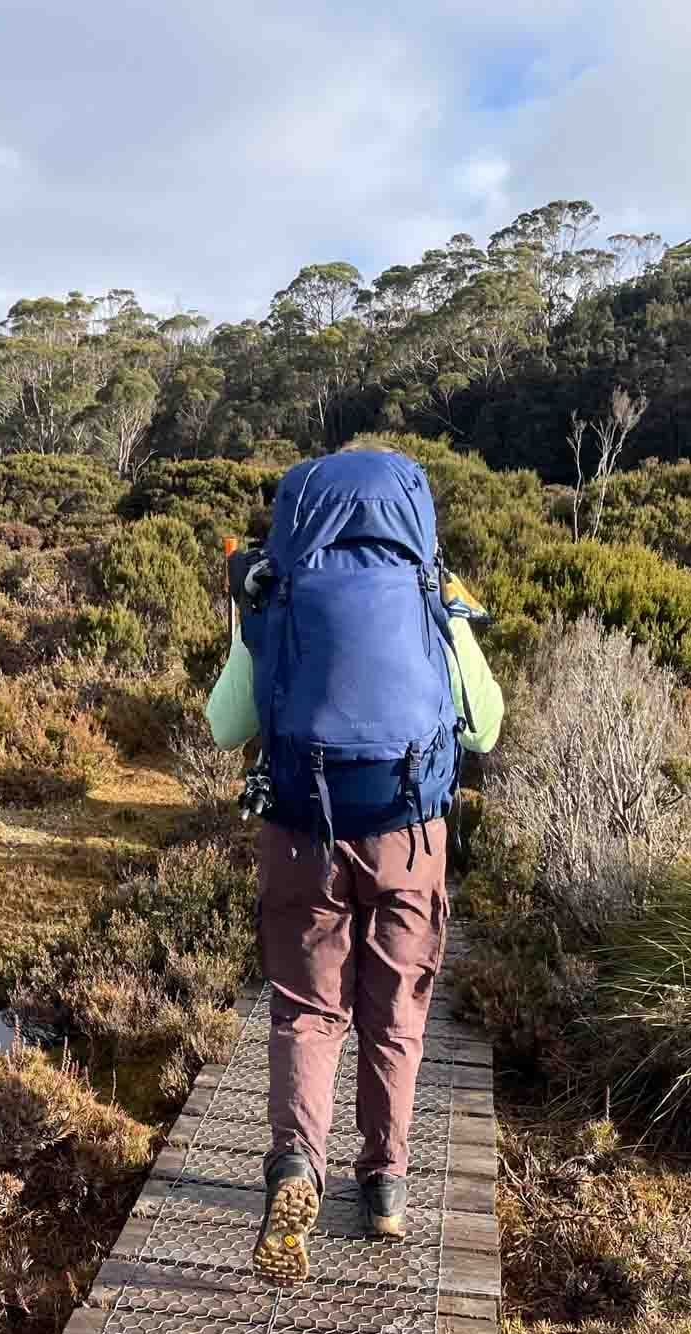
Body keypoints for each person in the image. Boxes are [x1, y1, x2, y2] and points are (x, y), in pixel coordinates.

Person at [205, 447, 503, 1285]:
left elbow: (226, 726)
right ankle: (387, 1185)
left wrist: (246, 625)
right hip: (409, 836)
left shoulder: (277, 593)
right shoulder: (428, 595)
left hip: (303, 831)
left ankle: (297, 1166)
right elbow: (484, 727)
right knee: (396, 1010)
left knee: (307, 1011)